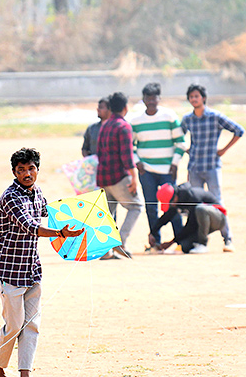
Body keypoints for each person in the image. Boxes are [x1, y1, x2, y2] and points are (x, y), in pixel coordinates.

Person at [0, 148, 84, 377]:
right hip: (10, 271)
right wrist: (61, 233)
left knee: (32, 326)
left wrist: (81, 214)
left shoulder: (37, 193)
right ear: (14, 173)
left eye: (31, 169)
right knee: (15, 325)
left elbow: (48, 212)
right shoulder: (9, 197)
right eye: (21, 170)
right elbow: (31, 226)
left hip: (32, 269)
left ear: (37, 170)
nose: (27, 174)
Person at [181, 84, 244, 250]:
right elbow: (177, 136)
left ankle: (227, 239)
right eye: (191, 97)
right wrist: (186, 149)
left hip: (211, 167)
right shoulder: (187, 119)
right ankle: (198, 240)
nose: (194, 99)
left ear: (203, 98)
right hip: (194, 167)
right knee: (194, 205)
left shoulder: (215, 117)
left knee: (216, 202)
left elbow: (239, 130)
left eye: (197, 96)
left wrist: (224, 149)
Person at [127, 83, 186, 251]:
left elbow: (180, 143)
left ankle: (180, 242)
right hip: (147, 171)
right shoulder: (136, 120)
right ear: (144, 99)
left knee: (173, 206)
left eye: (154, 98)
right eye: (148, 98)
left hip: (168, 170)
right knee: (151, 207)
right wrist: (137, 161)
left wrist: (174, 163)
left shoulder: (169, 116)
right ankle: (156, 243)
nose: (151, 101)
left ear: (159, 99)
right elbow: (130, 145)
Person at [96, 92, 141, 259]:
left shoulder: (105, 125)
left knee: (109, 214)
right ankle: (120, 242)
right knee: (136, 206)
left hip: (103, 177)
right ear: (125, 108)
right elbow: (127, 157)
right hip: (118, 177)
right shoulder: (123, 126)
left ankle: (106, 252)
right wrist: (134, 178)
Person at [152, 183, 227, 254]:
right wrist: (152, 232)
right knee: (185, 246)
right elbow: (166, 217)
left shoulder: (192, 196)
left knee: (200, 209)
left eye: (170, 203)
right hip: (202, 223)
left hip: (218, 219)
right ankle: (197, 244)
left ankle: (203, 244)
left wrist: (172, 242)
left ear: (175, 197)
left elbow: (190, 225)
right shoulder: (176, 200)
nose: (171, 205)